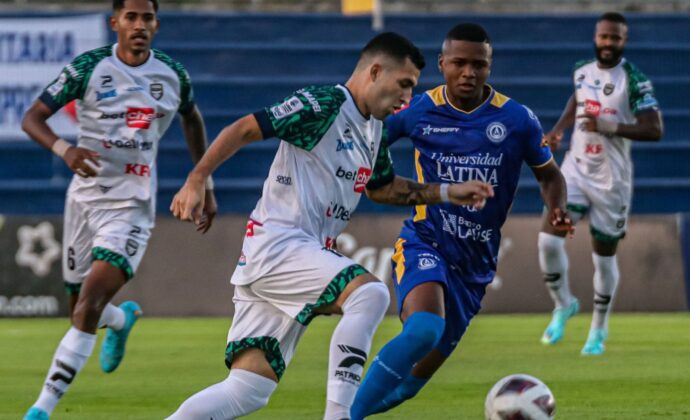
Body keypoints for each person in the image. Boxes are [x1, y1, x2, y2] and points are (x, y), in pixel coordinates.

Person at [165, 32, 493, 420]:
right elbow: (243, 129)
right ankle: (339, 415)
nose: (407, 98)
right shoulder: (323, 105)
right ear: (375, 72)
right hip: (280, 244)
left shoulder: (373, 129)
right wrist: (197, 179)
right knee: (370, 295)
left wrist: (447, 192)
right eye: (404, 84)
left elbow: (383, 188)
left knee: (248, 389)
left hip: (294, 254)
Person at [350, 23, 572, 419]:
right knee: (423, 329)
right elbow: (369, 136)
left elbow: (550, 176)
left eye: (478, 65)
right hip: (426, 241)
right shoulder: (418, 110)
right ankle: (342, 413)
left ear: (489, 67)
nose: (469, 72)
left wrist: (556, 209)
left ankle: (351, 411)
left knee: (406, 388)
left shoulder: (518, 119)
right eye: (459, 63)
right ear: (442, 64)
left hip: (474, 266)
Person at [21, 1, 217, 418]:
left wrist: (204, 182)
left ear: (157, 24)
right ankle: (122, 321)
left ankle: (41, 408)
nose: (139, 25)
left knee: (88, 304)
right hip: (84, 200)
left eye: (147, 18)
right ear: (115, 23)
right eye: (131, 17)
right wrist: (65, 150)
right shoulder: (89, 68)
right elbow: (33, 117)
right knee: (79, 306)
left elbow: (192, 119)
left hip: (132, 204)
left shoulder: (172, 75)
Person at [538, 12, 663, 355]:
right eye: (604, 36)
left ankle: (598, 328)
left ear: (624, 41)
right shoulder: (582, 70)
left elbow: (654, 129)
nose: (608, 43)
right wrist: (559, 129)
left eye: (615, 38)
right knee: (548, 242)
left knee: (604, 260)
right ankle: (563, 304)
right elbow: (578, 99)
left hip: (612, 181)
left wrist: (607, 127)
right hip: (576, 170)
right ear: (596, 37)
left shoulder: (633, 80)